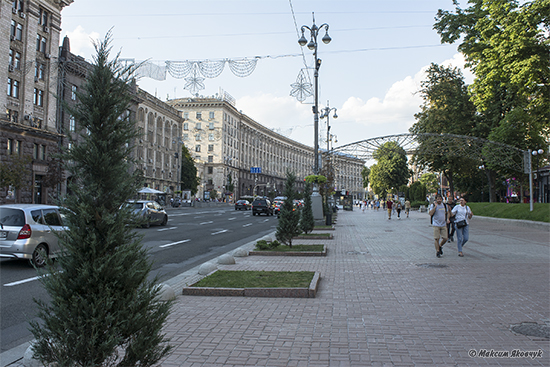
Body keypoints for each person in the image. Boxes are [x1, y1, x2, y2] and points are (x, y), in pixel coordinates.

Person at [429, 194, 449, 258]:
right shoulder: (433, 205)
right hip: (436, 224)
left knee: (445, 238)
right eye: (438, 199)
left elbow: (447, 213)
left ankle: (440, 246)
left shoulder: (445, 205)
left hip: (443, 224)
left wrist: (448, 219)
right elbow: (430, 213)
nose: (439, 200)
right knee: (436, 238)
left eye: (440, 199)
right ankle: (437, 251)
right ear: (436, 199)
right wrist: (435, 207)